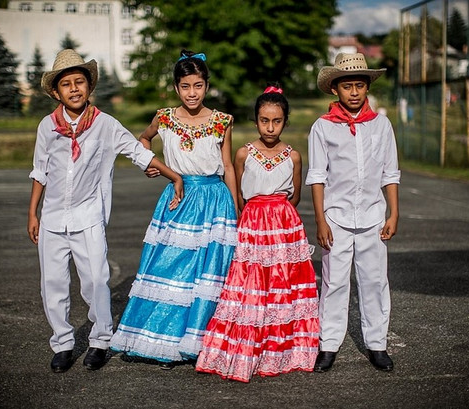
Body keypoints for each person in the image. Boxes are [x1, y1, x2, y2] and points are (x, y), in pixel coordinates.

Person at [27, 49, 183, 373]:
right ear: (56, 92)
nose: (74, 89)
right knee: (52, 285)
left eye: (79, 82)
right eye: (66, 84)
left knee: (96, 281)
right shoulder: (47, 127)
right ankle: (63, 343)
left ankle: (100, 340)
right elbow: (39, 171)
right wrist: (33, 213)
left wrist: (172, 174)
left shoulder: (105, 125)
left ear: (89, 87)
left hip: (88, 218)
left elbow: (135, 151)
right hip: (53, 219)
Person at [110, 50, 238, 369]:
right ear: (176, 88)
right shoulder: (165, 117)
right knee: (170, 269)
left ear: (207, 85)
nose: (192, 93)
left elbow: (227, 165)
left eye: (197, 85)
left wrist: (236, 208)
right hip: (179, 199)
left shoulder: (222, 121)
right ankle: (162, 342)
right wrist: (149, 164)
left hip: (214, 200)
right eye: (185, 86)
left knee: (207, 274)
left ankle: (196, 343)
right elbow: (143, 138)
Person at [195, 85, 319, 382]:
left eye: (277, 121)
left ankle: (284, 348)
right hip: (252, 222)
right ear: (255, 120)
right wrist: (253, 213)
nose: (270, 127)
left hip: (284, 224)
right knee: (250, 280)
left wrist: (277, 213)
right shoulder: (243, 154)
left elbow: (295, 196)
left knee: (283, 282)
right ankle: (248, 345)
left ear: (285, 122)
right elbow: (237, 195)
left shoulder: (294, 156)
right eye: (264, 120)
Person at [305, 52, 400, 372]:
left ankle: (377, 345)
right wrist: (320, 220)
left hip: (373, 216)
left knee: (374, 280)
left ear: (368, 87)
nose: (355, 92)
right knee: (334, 283)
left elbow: (390, 173)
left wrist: (394, 213)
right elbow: (317, 177)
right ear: (335, 89)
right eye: (348, 86)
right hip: (336, 218)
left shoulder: (382, 125)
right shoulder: (322, 128)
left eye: (360, 85)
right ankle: (328, 345)